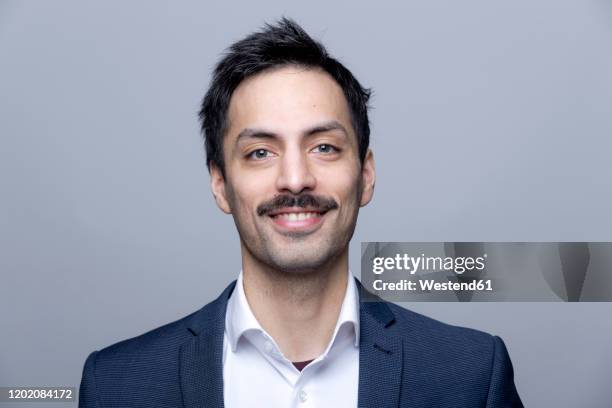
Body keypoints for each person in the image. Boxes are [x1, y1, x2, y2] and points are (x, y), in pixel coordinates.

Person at [79, 17, 523, 407]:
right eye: (259, 152)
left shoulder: (471, 377)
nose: (295, 179)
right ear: (220, 185)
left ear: (365, 174)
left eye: (324, 147)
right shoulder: (115, 385)